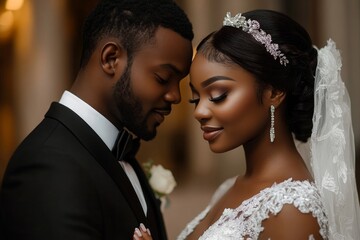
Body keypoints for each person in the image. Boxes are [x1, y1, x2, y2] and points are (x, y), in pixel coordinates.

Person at [137, 9, 360, 240]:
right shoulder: (228, 187)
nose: (199, 112)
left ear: (274, 91)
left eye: (218, 95)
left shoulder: (292, 210)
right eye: (196, 98)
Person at [0, 0, 193, 239]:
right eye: (163, 78)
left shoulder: (122, 156)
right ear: (111, 59)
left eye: (180, 82)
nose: (175, 96)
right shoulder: (47, 166)